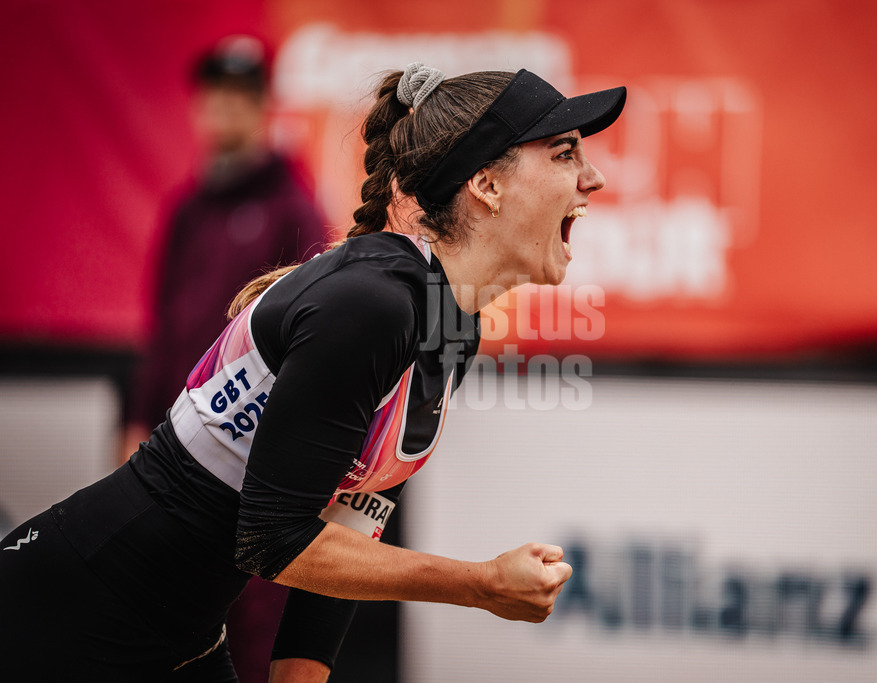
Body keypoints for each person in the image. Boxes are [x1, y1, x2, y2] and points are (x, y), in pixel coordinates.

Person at [0, 63, 626, 682]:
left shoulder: (452, 325)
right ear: (486, 184)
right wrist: (482, 584)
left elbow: (349, 532)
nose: (592, 178)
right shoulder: (371, 305)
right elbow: (272, 541)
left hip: (173, 639)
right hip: (62, 616)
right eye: (564, 153)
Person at [121, 35, 327, 682]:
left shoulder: (294, 210)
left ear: (265, 105)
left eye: (239, 97)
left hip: (252, 466)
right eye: (212, 96)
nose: (222, 110)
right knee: (168, 626)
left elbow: (312, 353)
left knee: (254, 628)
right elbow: (163, 331)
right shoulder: (186, 210)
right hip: (175, 455)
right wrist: (135, 426)